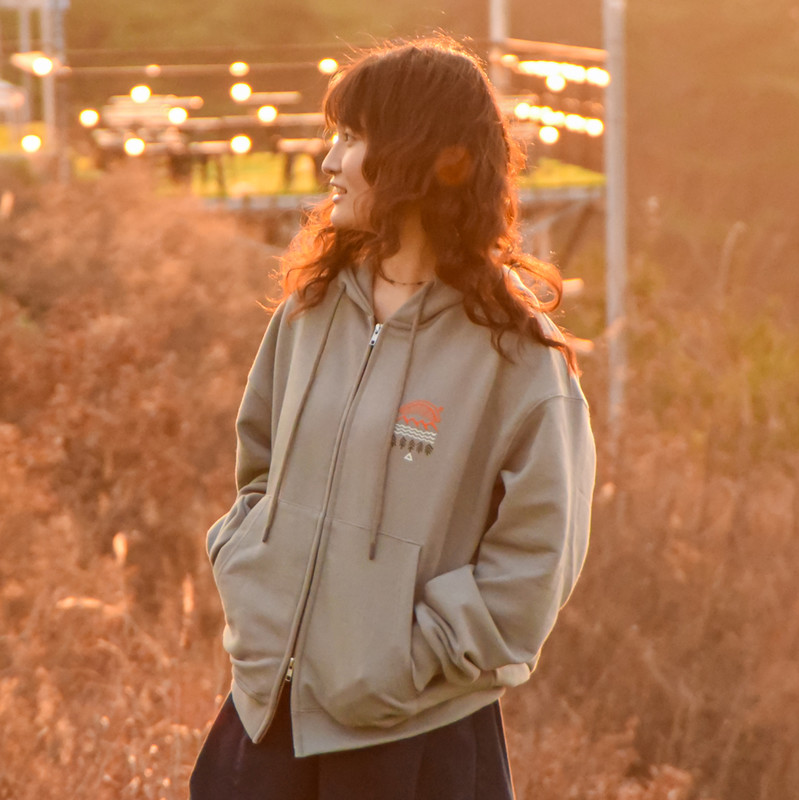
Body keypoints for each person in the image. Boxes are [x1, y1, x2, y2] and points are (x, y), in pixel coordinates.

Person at [190, 36, 596, 800]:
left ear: (416, 155)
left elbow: (538, 559)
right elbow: (257, 469)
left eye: (352, 138)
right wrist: (251, 573)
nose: (329, 161)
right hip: (266, 719)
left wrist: (408, 659)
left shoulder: (517, 353)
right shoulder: (310, 310)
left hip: (414, 741)